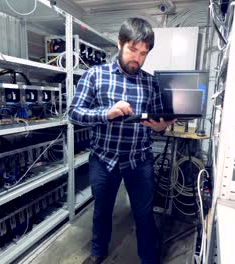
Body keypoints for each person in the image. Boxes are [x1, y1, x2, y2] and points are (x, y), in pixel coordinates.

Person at [69, 18, 175, 264]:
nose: (137, 58)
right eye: (132, 50)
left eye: (143, 53)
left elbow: (159, 120)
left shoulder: (150, 82)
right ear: (120, 43)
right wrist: (106, 113)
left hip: (140, 161)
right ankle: (97, 253)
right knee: (102, 211)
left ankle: (149, 259)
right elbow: (74, 114)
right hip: (103, 160)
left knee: (144, 214)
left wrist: (161, 127)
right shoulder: (95, 75)